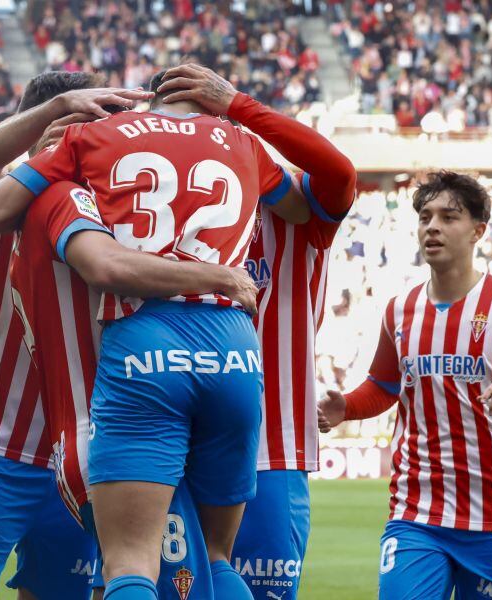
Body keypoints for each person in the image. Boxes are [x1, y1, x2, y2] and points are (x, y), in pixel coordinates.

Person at [0, 65, 310, 600]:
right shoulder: (241, 141)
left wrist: (49, 152)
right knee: (217, 558)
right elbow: (320, 193)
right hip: (234, 346)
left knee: (130, 562)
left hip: (139, 351)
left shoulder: (85, 152)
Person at [0, 72, 153, 600]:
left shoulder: (115, 220)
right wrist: (58, 109)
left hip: (83, 444)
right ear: (32, 131)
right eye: (66, 123)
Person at [317, 171, 492, 600]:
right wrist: (346, 407)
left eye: (448, 217)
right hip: (416, 512)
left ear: (478, 230)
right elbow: (384, 385)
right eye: (425, 217)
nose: (433, 227)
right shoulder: (399, 310)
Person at [152, 64, 358, 597]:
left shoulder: (295, 209)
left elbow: (340, 174)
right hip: (167, 444)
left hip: (272, 446)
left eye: (203, 121)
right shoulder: (146, 210)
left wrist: (240, 104)